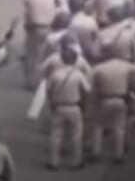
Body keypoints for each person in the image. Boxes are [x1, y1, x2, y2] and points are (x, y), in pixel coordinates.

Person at [89, 52, 135, 163]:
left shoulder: (99, 67)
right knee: (119, 128)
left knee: (98, 126)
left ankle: (96, 153)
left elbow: (89, 81)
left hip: (103, 99)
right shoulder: (124, 65)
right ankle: (118, 155)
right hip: (120, 99)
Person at [46, 34, 91, 170]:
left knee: (55, 135)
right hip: (74, 107)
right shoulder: (78, 75)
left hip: (58, 106)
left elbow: (48, 89)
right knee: (76, 135)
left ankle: (54, 162)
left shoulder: (55, 74)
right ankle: (75, 162)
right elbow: (88, 90)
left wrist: (51, 102)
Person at [22, 0, 69, 90]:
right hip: (50, 25)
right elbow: (64, 5)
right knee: (50, 54)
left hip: (34, 26)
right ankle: (52, 80)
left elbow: (28, 11)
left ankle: (32, 82)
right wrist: (57, 14)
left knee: (32, 56)